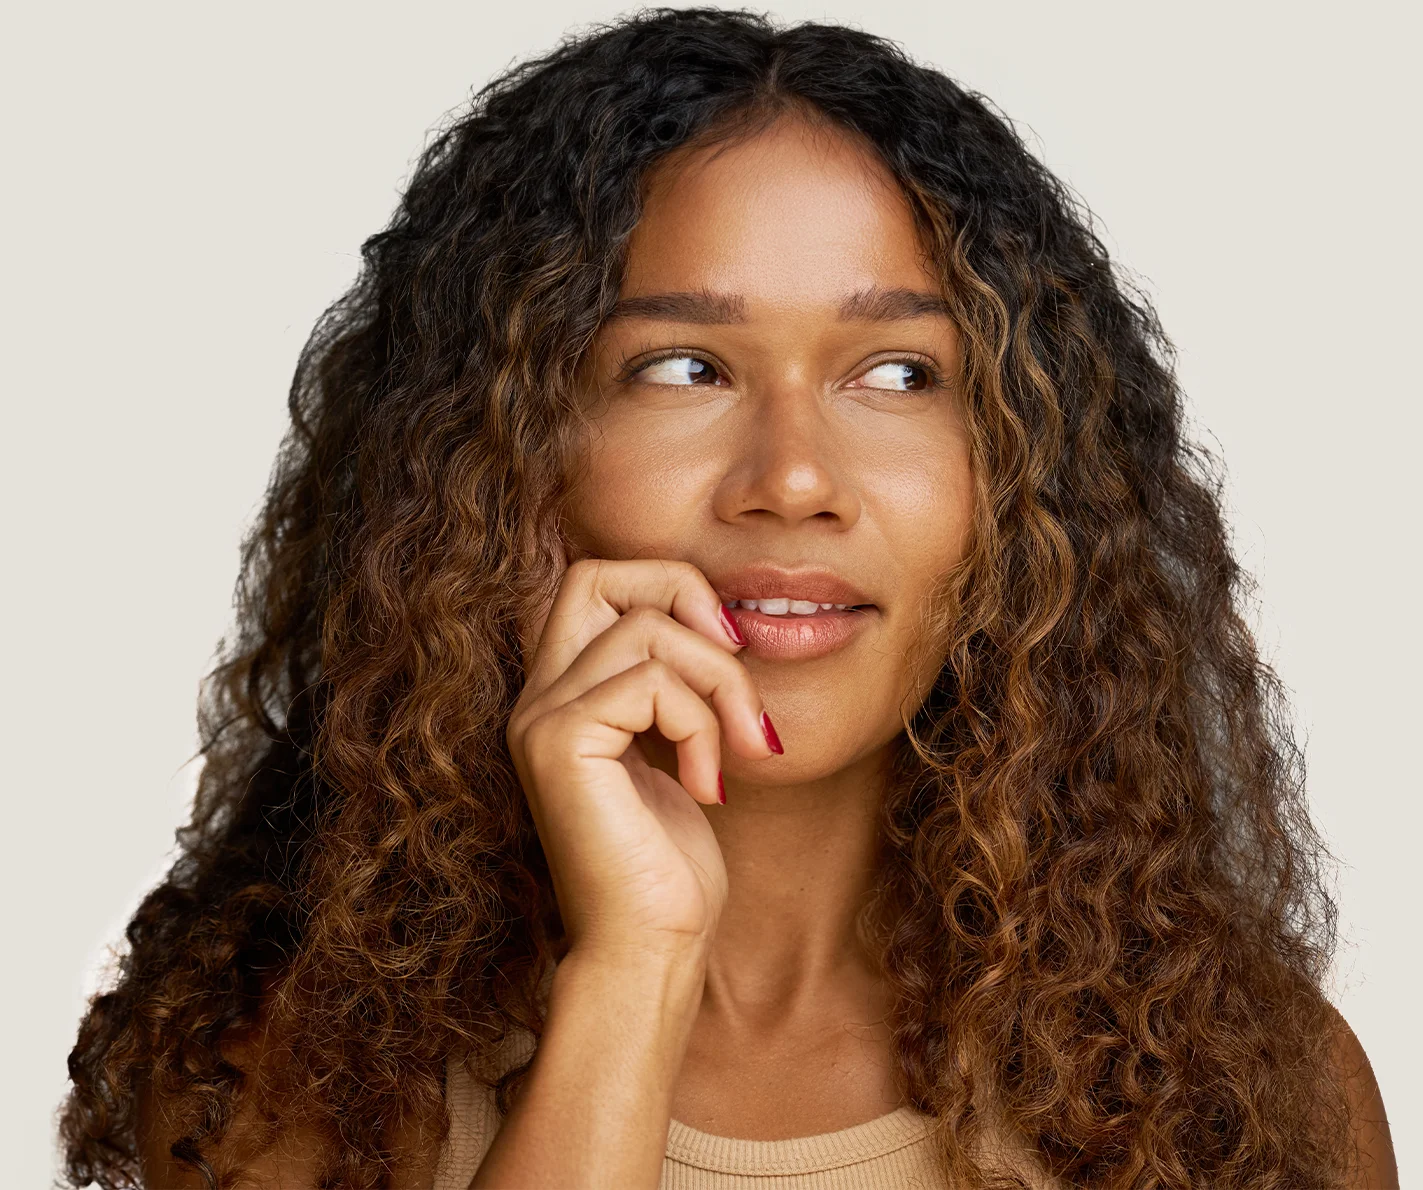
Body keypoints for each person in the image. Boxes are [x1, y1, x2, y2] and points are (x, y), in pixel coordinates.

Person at [59, 9, 1397, 1189]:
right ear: (500, 466)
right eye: (683, 368)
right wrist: (633, 967)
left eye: (897, 374)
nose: (795, 479)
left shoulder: (1243, 1079)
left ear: (1019, 475)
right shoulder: (290, 1069)